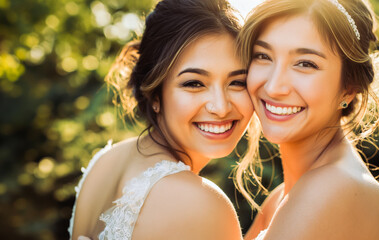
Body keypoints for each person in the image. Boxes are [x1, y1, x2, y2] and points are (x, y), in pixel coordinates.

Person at [68, 0, 254, 239]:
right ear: (155, 93)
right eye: (194, 83)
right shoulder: (199, 204)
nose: (220, 107)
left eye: (237, 82)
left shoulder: (106, 161)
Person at [235, 0, 379, 239]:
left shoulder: (332, 188)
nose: (274, 86)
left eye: (305, 64)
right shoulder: (280, 199)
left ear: (348, 88)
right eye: (263, 56)